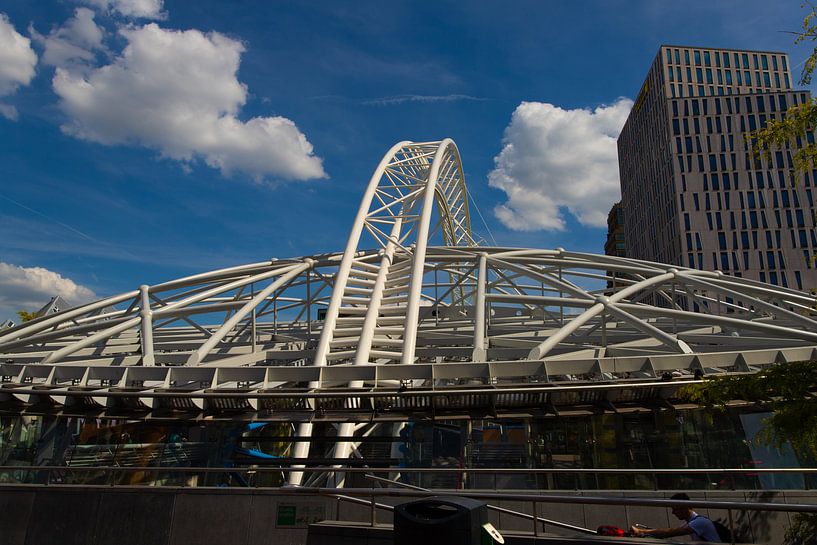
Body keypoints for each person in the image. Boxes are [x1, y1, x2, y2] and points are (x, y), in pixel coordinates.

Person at [630, 493, 722, 542]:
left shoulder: (700, 522)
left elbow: (671, 532)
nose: (673, 512)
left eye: (675, 509)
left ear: (684, 508)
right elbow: (666, 532)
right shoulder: (691, 523)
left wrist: (641, 531)